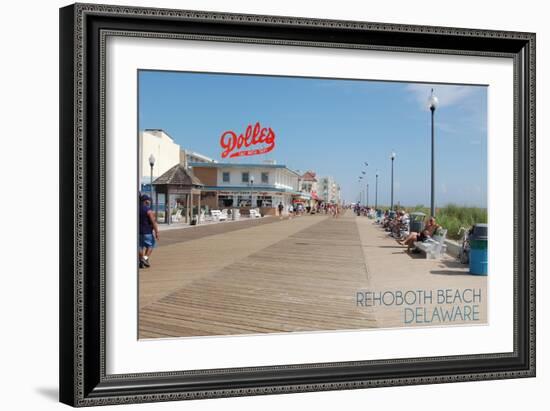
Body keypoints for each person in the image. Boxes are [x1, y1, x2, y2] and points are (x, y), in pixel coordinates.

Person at [139, 194, 159, 268]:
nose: (149, 202)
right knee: (150, 245)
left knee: (140, 246)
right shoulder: (148, 211)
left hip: (138, 232)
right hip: (147, 232)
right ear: (145, 201)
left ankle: (142, 261)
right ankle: (144, 258)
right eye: (148, 200)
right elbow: (153, 222)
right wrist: (157, 232)